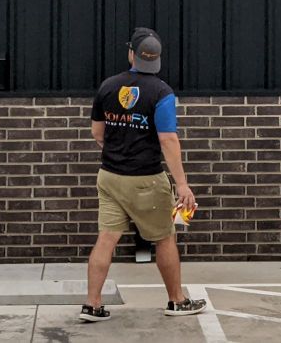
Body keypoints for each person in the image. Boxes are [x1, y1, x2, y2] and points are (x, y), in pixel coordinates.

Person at [79, 27, 207, 322]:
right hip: (147, 179)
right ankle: (176, 301)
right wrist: (182, 185)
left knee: (106, 239)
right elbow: (168, 140)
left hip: (109, 176)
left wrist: (117, 147)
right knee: (164, 238)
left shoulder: (108, 87)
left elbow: (97, 132)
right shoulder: (161, 93)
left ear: (132, 54)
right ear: (156, 60)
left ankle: (93, 304)